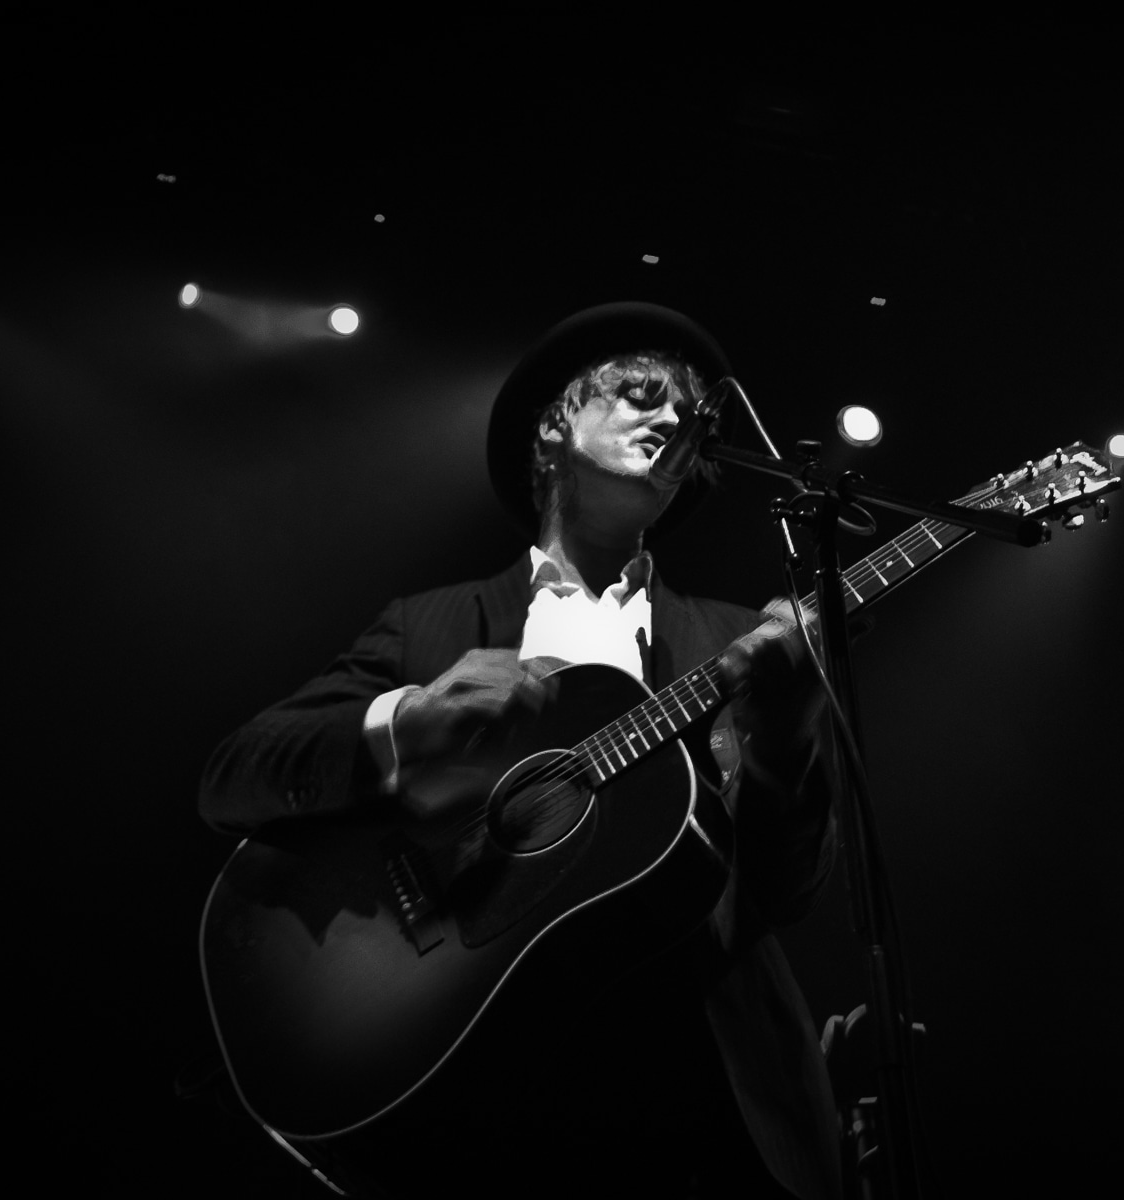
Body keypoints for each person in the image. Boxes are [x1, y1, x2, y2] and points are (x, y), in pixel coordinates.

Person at [199, 302, 843, 1199]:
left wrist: (786, 740)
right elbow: (236, 775)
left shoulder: (742, 643)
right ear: (553, 426)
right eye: (640, 394)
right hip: (478, 1102)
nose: (671, 417)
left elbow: (785, 895)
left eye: (690, 415)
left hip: (696, 1104)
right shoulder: (430, 625)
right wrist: (410, 718)